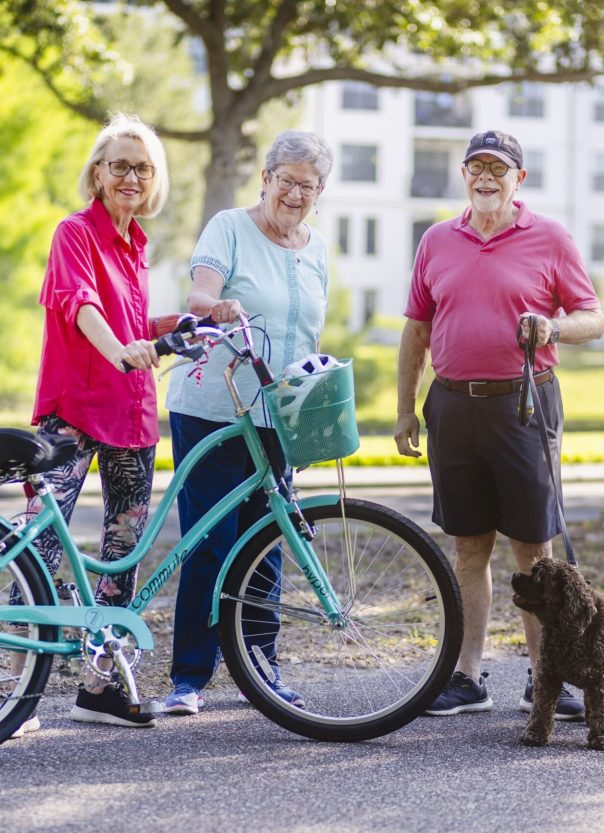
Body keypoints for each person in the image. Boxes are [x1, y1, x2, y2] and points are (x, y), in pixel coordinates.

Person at [395, 130, 604, 719]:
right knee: (468, 547)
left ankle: (546, 679)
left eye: (498, 169)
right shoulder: (437, 239)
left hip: (525, 405)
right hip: (453, 405)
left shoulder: (551, 237)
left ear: (519, 179)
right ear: (464, 175)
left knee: (533, 549)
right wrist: (406, 407)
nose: (486, 177)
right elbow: (416, 329)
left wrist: (553, 327)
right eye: (476, 168)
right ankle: (467, 678)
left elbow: (592, 316)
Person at [10, 113, 178, 737]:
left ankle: (99, 689)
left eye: (143, 167)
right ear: (98, 173)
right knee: (39, 548)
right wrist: (121, 351)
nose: (132, 176)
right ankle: (15, 689)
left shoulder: (136, 244)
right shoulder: (74, 233)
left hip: (131, 415)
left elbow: (129, 323)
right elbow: (80, 305)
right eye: (120, 165)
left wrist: (173, 326)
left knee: (121, 554)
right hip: (76, 412)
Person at [164, 129, 333, 715]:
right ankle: (189, 677)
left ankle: (259, 668)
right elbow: (198, 294)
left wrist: (309, 413)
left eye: (307, 186)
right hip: (213, 407)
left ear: (320, 192)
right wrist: (217, 306)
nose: (294, 194)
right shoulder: (229, 227)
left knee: (268, 540)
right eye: (285, 180)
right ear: (265, 179)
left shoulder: (318, 248)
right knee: (210, 540)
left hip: (278, 416)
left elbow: (310, 336)